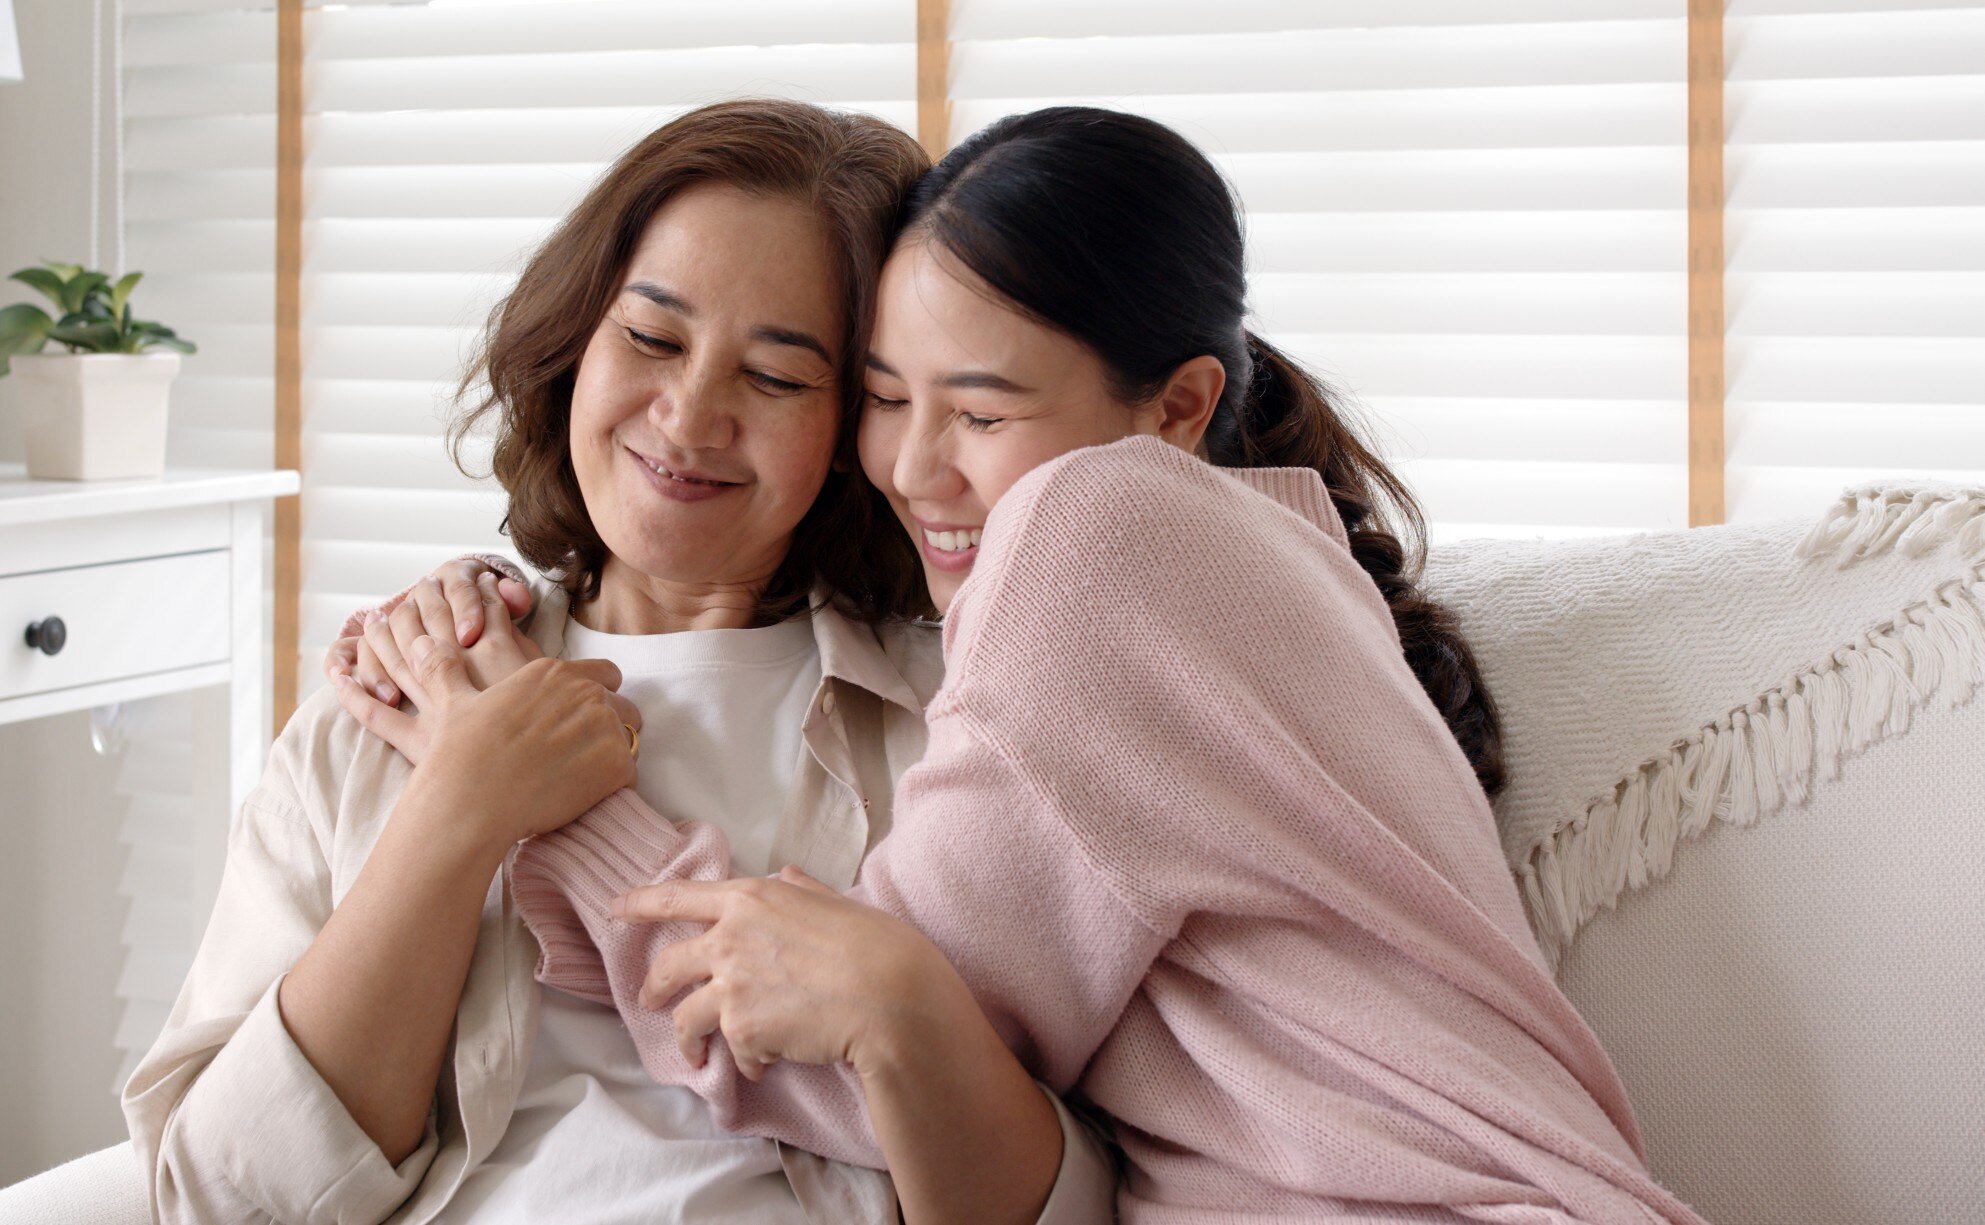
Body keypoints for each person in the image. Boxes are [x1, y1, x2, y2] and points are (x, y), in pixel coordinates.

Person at [340, 108, 1707, 1222]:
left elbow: (845, 1046)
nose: (913, 468)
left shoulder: (1094, 533)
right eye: (883, 397)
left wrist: (524, 784)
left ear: (1176, 408)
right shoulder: (1264, 554)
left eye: (979, 410)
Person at [122, 99, 1115, 1225]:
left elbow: (1081, 1197)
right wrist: (458, 807)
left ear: (857, 428)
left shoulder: (966, 726)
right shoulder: (395, 694)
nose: (688, 417)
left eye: (777, 378)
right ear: (574, 340)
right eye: (650, 339)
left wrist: (898, 1011)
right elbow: (219, 1200)